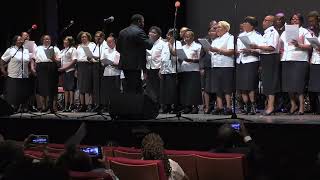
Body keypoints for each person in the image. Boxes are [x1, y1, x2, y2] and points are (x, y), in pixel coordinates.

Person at [280, 13, 312, 115]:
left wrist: (299, 45)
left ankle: (301, 107)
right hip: (286, 59)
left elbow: (309, 46)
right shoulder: (285, 32)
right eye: (293, 19)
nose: (294, 21)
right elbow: (280, 45)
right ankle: (293, 105)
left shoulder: (305, 31)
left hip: (299, 60)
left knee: (299, 85)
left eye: (297, 19)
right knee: (288, 85)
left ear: (301, 21)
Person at [250, 15, 280, 115]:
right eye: (264, 20)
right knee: (266, 83)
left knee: (270, 83)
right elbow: (263, 47)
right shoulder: (266, 33)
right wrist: (253, 49)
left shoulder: (273, 32)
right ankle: (268, 105)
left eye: (266, 20)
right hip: (264, 58)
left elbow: (271, 48)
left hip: (271, 58)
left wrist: (257, 46)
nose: (264, 22)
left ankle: (271, 107)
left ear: (272, 23)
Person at [117, 14, 154, 94]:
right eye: (143, 22)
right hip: (135, 65)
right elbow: (149, 45)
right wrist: (150, 38)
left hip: (124, 64)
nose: (143, 24)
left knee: (128, 87)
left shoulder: (122, 32)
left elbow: (118, 48)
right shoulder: (139, 31)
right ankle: (135, 105)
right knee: (136, 88)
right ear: (139, 21)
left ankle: (128, 105)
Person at [236, 16, 265, 115]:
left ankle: (253, 105)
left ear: (252, 26)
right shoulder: (241, 35)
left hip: (251, 61)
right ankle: (246, 105)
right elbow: (238, 48)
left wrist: (251, 50)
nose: (244, 25)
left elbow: (261, 50)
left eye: (246, 23)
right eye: (244, 23)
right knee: (242, 86)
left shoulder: (257, 35)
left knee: (250, 85)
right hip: (241, 61)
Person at [206, 21, 235, 115]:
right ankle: (220, 107)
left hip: (226, 65)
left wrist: (217, 50)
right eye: (216, 28)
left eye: (219, 27)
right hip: (215, 65)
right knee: (217, 87)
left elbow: (231, 51)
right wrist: (209, 50)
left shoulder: (230, 37)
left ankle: (229, 107)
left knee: (226, 87)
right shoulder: (216, 40)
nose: (216, 29)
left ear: (225, 29)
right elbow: (213, 52)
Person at [1, 35, 34, 112]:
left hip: (24, 75)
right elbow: (2, 61)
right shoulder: (10, 50)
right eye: (19, 40)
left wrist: (30, 70)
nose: (20, 41)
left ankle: (23, 108)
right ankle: (13, 108)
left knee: (24, 92)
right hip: (13, 75)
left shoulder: (26, 50)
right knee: (14, 94)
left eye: (21, 40)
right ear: (15, 41)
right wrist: (3, 70)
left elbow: (30, 60)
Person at [34, 35, 61, 113]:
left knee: (52, 86)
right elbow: (34, 59)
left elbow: (59, 61)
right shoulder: (38, 48)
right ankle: (43, 106)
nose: (47, 40)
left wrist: (54, 59)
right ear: (42, 40)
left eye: (48, 39)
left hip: (51, 66)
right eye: (45, 39)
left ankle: (53, 106)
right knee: (42, 87)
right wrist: (33, 68)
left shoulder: (55, 48)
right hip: (41, 67)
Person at [179, 30, 202, 114]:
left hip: (194, 69)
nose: (186, 38)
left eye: (188, 37)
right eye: (185, 37)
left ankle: (195, 107)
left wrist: (192, 60)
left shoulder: (198, 46)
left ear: (192, 37)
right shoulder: (183, 47)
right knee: (186, 89)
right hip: (184, 69)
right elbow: (180, 58)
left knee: (194, 89)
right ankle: (187, 106)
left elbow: (200, 59)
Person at [160, 28, 181, 113]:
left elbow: (175, 53)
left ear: (173, 36)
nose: (167, 36)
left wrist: (170, 45)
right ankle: (167, 106)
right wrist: (160, 69)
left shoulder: (178, 43)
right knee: (165, 90)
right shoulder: (164, 44)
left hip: (173, 70)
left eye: (168, 35)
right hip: (164, 70)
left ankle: (175, 107)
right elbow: (162, 58)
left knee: (172, 90)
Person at [100, 35, 121, 112]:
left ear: (114, 41)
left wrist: (114, 63)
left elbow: (119, 62)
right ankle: (106, 106)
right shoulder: (105, 50)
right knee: (107, 90)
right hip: (107, 73)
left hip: (116, 73)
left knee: (115, 90)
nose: (109, 44)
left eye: (110, 42)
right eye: (108, 42)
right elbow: (102, 61)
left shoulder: (118, 50)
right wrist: (104, 63)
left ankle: (116, 106)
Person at [75, 31, 95, 112]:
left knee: (88, 85)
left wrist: (91, 59)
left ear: (88, 37)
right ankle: (82, 105)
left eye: (85, 37)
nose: (83, 38)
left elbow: (95, 55)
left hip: (89, 65)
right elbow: (77, 58)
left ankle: (89, 104)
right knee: (81, 86)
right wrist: (76, 69)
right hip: (80, 66)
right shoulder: (79, 46)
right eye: (82, 37)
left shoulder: (92, 45)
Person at [201, 22, 217, 114]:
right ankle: (207, 106)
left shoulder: (220, 40)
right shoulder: (205, 41)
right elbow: (201, 56)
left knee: (216, 87)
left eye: (214, 30)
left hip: (217, 66)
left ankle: (216, 106)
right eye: (210, 31)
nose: (212, 32)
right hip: (207, 66)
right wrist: (201, 67)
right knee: (207, 88)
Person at [146, 26, 165, 103]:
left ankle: (159, 104)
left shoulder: (162, 44)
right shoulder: (147, 43)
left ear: (158, 35)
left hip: (158, 68)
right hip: (149, 67)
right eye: (150, 32)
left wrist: (161, 70)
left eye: (154, 32)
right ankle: (151, 104)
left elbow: (164, 58)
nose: (151, 33)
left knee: (158, 87)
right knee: (149, 87)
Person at [21, 31, 39, 112]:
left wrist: (33, 67)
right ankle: (22, 106)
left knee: (31, 88)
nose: (26, 37)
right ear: (21, 37)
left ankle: (30, 105)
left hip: (30, 66)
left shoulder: (33, 44)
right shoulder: (18, 45)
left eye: (27, 36)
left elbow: (35, 55)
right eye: (24, 36)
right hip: (21, 68)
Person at [58, 36, 77, 112]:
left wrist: (65, 68)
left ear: (70, 42)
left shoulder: (73, 49)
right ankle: (66, 105)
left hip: (70, 70)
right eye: (64, 40)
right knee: (65, 89)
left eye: (66, 40)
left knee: (70, 88)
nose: (64, 41)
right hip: (64, 71)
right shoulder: (62, 50)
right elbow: (59, 60)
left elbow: (74, 60)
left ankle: (71, 105)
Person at [92, 31, 108, 112]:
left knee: (102, 86)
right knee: (96, 86)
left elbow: (103, 56)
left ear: (102, 37)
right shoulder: (96, 45)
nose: (96, 38)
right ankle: (98, 104)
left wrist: (96, 58)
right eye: (95, 37)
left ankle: (104, 104)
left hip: (103, 67)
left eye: (98, 37)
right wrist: (90, 58)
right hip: (95, 66)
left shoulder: (105, 45)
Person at [308, 11, 320, 114]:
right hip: (315, 60)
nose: (311, 23)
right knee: (314, 87)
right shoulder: (312, 32)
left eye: (313, 21)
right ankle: (316, 108)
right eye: (310, 21)